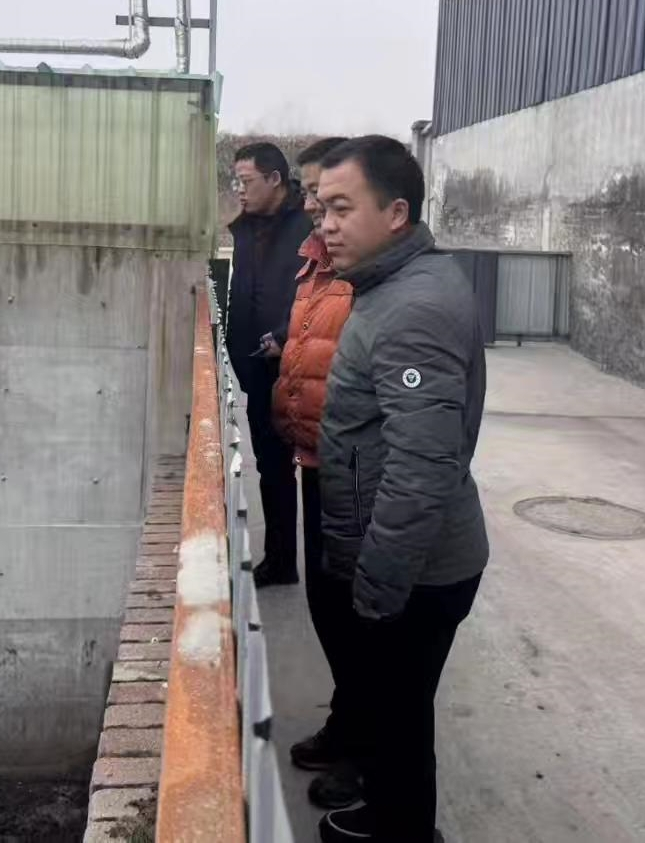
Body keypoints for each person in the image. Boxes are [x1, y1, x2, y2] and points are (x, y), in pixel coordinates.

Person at [313, 136, 489, 843]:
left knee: (401, 711)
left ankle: (404, 831)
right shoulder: (396, 286)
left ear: (396, 213)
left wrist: (378, 587)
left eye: (341, 207)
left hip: (418, 567)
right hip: (411, 558)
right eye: (321, 208)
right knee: (394, 708)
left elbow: (421, 467)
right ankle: (390, 815)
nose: (326, 224)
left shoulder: (412, 307)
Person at [270, 136, 364, 811]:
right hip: (314, 458)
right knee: (327, 608)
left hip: (351, 471)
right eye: (311, 194)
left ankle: (364, 750)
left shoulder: (365, 275)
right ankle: (347, 721)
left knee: (356, 618)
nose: (314, 208)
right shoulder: (314, 265)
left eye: (328, 198)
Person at [226, 142, 312, 588]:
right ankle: (280, 560)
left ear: (275, 179)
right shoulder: (248, 227)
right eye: (236, 182)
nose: (240, 191)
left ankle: (324, 568)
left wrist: (285, 335)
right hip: (258, 367)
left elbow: (317, 292)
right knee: (272, 467)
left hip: (299, 363)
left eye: (246, 181)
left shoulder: (308, 226)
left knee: (313, 469)